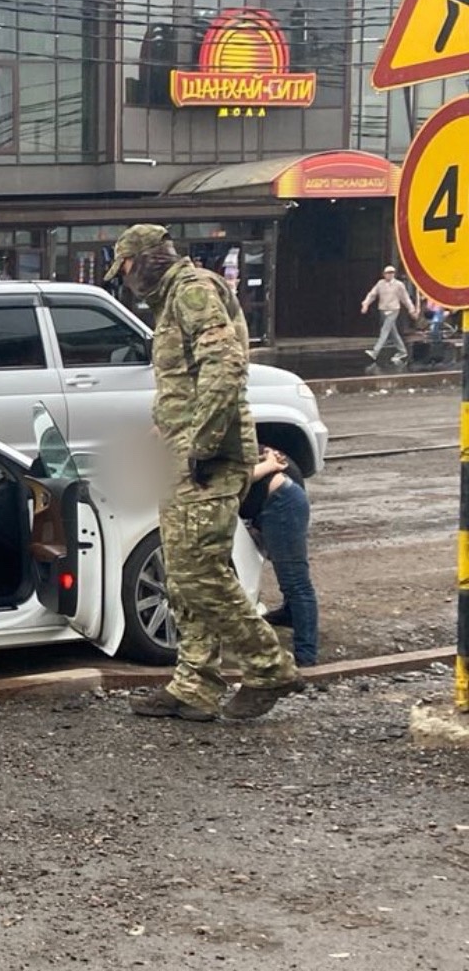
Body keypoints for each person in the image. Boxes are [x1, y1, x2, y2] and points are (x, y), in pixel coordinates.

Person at [110, 225, 300, 721]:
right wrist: (166, 427)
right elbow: (189, 379)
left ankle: (268, 666)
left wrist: (203, 442)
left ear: (145, 260)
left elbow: (224, 366)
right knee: (181, 570)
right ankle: (194, 683)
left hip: (208, 458)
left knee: (201, 571)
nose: (126, 281)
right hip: (185, 451)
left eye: (126, 269)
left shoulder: (193, 291)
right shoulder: (172, 299)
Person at [243, 446, 317, 669]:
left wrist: (268, 466)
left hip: (280, 503)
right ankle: (290, 613)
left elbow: (234, 480)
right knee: (286, 570)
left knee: (295, 580)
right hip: (273, 500)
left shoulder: (218, 442)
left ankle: (307, 653)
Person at [361, 266, 416, 367]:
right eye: (387, 273)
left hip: (394, 309)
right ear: (384, 274)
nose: (389, 275)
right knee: (392, 332)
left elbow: (405, 298)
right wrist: (366, 304)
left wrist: (411, 309)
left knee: (385, 330)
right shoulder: (380, 284)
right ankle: (402, 351)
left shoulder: (399, 285)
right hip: (383, 309)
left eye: (392, 273)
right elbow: (372, 294)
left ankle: (375, 352)